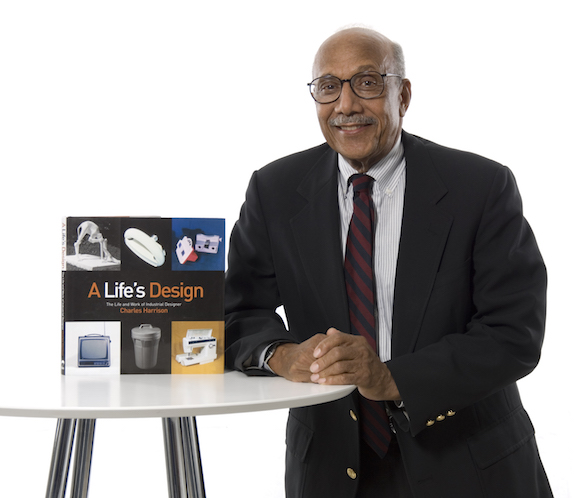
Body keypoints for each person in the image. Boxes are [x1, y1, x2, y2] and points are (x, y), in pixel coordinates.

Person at [225, 27, 553, 498]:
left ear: (404, 94)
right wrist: (281, 355)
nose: (346, 105)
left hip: (470, 467)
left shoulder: (480, 187)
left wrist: (391, 377)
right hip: (331, 469)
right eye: (328, 87)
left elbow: (515, 332)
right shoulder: (274, 190)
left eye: (368, 82)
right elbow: (235, 310)